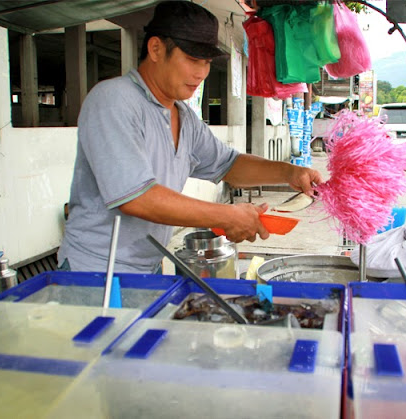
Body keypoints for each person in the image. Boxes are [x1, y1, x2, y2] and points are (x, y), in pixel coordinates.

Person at [58, 1, 322, 274]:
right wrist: (227, 215)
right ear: (156, 49)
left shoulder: (184, 117)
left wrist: (289, 172)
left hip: (147, 268)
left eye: (207, 62)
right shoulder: (113, 100)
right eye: (193, 60)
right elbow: (137, 197)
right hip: (93, 270)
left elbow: (228, 164)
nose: (201, 73)